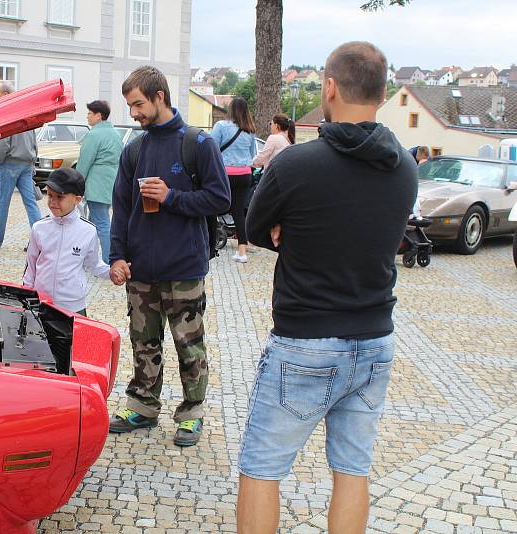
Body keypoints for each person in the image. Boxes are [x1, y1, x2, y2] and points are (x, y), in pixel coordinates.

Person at [237, 42, 418, 534]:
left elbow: (253, 227)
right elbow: (370, 230)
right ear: (382, 95)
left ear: (330, 87)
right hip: (376, 338)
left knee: (262, 469)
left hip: (305, 341)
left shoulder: (297, 164)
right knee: (353, 471)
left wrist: (290, 230)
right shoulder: (406, 167)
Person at [108, 66, 231, 447]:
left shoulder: (198, 144)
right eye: (130, 106)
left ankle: (192, 412)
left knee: (188, 344)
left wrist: (172, 197)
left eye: (139, 104)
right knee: (143, 342)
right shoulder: (134, 150)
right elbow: (121, 207)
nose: (134, 114)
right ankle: (143, 406)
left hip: (184, 268)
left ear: (160, 96)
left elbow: (221, 198)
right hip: (141, 269)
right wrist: (117, 256)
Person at [23, 168, 110, 315]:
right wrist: (27, 296)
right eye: (50, 195)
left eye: (60, 197)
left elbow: (93, 264)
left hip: (73, 306)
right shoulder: (39, 228)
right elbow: (30, 267)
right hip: (41, 303)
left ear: (77, 199)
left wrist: (113, 272)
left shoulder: (88, 231)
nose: (53, 202)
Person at [0, 83, 42, 250]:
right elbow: (33, 140)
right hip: (26, 162)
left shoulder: (4, 113)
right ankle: (41, 242)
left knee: (2, 203)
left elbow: (1, 143)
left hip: (9, 163)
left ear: (5, 94)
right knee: (31, 203)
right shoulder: (26, 111)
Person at [210, 97, 258, 263]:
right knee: (238, 211)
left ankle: (209, 243)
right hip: (245, 174)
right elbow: (252, 155)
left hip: (225, 174)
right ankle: (242, 252)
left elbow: (211, 148)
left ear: (230, 109)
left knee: (214, 205)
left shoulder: (221, 126)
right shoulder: (250, 130)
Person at [76, 100, 123, 263]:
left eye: (90, 113)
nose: (87, 116)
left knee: (101, 225)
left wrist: (76, 184)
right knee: (93, 223)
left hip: (96, 184)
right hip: (110, 183)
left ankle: (109, 261)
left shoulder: (94, 134)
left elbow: (84, 162)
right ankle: (91, 258)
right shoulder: (116, 134)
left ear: (98, 115)